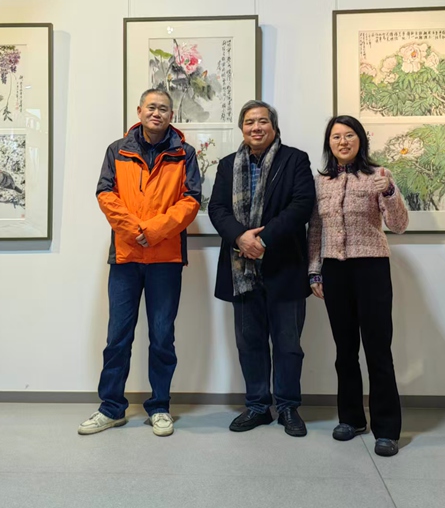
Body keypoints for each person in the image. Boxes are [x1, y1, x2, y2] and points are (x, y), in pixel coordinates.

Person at [78, 88, 201, 437]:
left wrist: (155, 230)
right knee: (118, 336)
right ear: (140, 111)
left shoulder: (184, 153)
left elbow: (191, 199)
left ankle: (159, 407)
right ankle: (111, 408)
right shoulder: (118, 150)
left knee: (162, 336)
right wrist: (135, 230)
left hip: (166, 258)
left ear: (171, 115)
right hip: (126, 256)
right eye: (151, 107)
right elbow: (105, 193)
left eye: (163, 108)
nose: (157, 113)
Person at [208, 100, 315, 437]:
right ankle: (257, 406)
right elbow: (217, 208)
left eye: (263, 121)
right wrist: (241, 238)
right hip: (241, 271)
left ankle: (287, 407)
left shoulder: (295, 160)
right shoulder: (228, 165)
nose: (256, 127)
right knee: (249, 343)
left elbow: (301, 206)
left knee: (288, 344)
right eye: (249, 122)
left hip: (285, 267)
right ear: (242, 128)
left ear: (274, 126)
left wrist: (262, 240)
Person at [308, 115, 408, 457]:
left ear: (360, 140)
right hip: (334, 270)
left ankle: (387, 429)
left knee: (378, 349)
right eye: (336, 137)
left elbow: (399, 225)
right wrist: (314, 271)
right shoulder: (321, 182)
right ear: (329, 143)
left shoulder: (379, 175)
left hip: (372, 268)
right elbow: (315, 230)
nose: (343, 141)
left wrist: (390, 192)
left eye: (349, 135)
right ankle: (350, 419)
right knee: (345, 350)